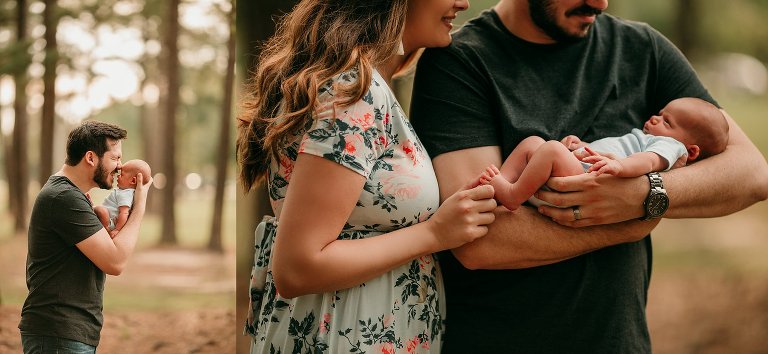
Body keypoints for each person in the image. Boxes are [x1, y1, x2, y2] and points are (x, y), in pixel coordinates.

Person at [409, 0, 768, 352]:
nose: (600, 3)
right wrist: (629, 222)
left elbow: (752, 174)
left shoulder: (642, 49)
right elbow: (479, 242)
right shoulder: (458, 61)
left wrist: (648, 193)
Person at [236, 0, 496, 353]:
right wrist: (435, 233)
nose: (463, 2)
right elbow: (298, 267)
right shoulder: (354, 91)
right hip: (342, 336)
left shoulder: (363, 85)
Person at [19, 121, 152, 354]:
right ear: (91, 158)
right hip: (58, 334)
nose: (120, 167)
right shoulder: (64, 198)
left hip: (65, 334)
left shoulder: (74, 196)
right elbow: (115, 261)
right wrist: (139, 205)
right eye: (115, 158)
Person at [479, 97, 729, 211]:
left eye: (667, 121)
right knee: (534, 142)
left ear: (692, 150)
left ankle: (512, 196)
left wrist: (621, 166)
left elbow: (648, 161)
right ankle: (500, 186)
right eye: (660, 113)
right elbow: (604, 150)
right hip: (580, 171)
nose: (655, 118)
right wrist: (579, 146)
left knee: (550, 149)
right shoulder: (645, 138)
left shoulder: (672, 148)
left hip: (582, 187)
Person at [94, 159, 152, 238]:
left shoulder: (126, 194)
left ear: (133, 180)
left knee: (100, 210)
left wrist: (117, 229)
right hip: (108, 219)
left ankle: (106, 229)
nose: (118, 176)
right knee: (98, 210)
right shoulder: (125, 192)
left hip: (110, 221)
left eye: (121, 174)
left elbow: (124, 213)